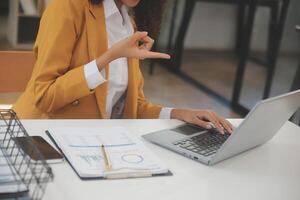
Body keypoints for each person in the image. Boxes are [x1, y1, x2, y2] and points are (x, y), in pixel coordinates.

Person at [13, 0, 233, 134]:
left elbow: (131, 108)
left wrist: (180, 113)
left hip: (94, 142)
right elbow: (43, 96)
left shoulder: (129, 24)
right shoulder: (68, 7)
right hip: (40, 139)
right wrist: (108, 58)